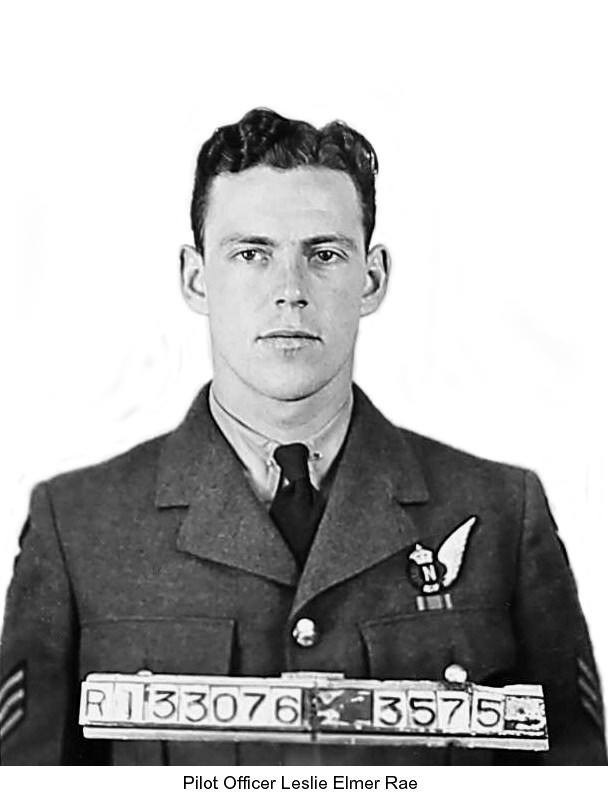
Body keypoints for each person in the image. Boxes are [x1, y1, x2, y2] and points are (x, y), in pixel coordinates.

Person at [0, 108, 605, 766]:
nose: (289, 291)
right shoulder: (78, 526)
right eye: (251, 254)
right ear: (196, 277)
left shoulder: (502, 513)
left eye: (323, 254)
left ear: (371, 278)